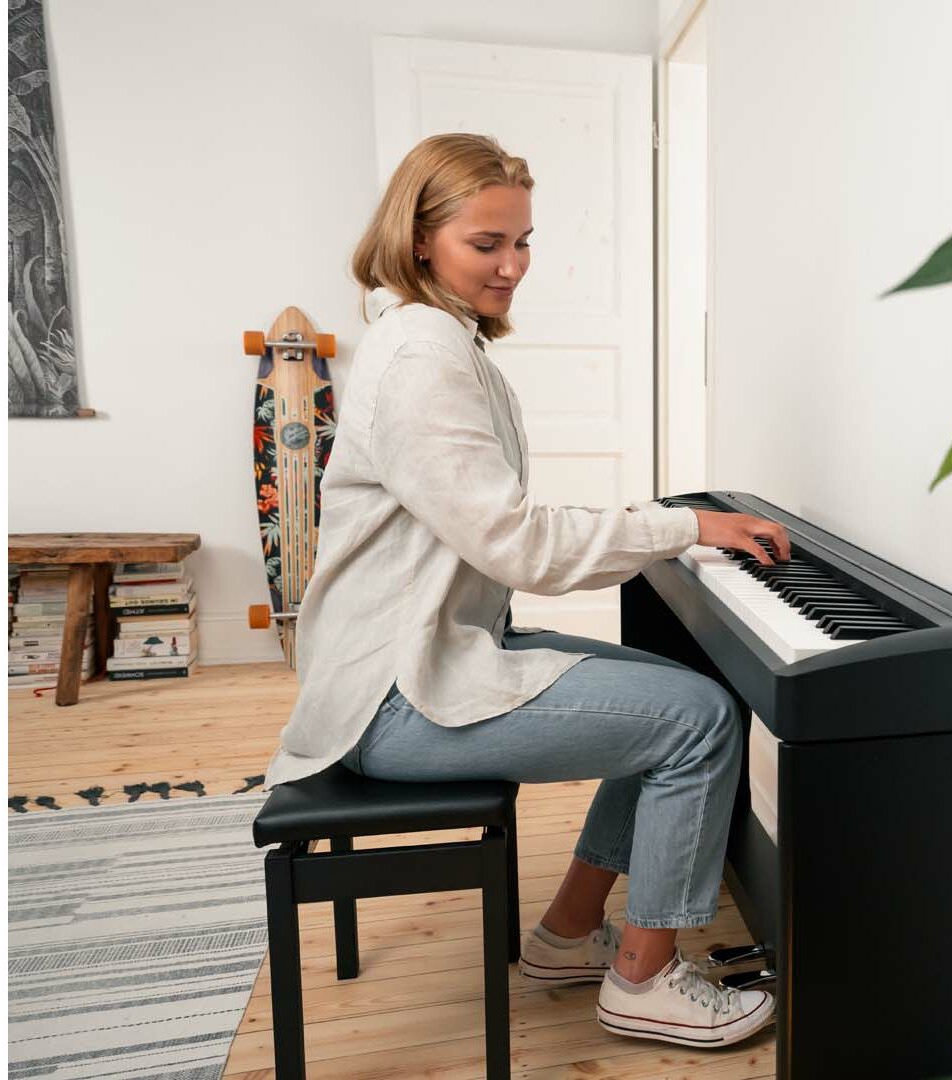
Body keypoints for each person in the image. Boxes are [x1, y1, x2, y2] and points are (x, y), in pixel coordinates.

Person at [260, 132, 789, 1050]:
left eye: (525, 241)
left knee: (660, 695)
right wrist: (684, 524)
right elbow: (519, 542)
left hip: (433, 656)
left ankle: (566, 939)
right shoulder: (423, 355)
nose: (513, 266)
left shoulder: (433, 337)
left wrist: (665, 520)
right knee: (695, 717)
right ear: (420, 240)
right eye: (487, 244)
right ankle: (645, 982)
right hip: (397, 695)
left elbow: (500, 518)